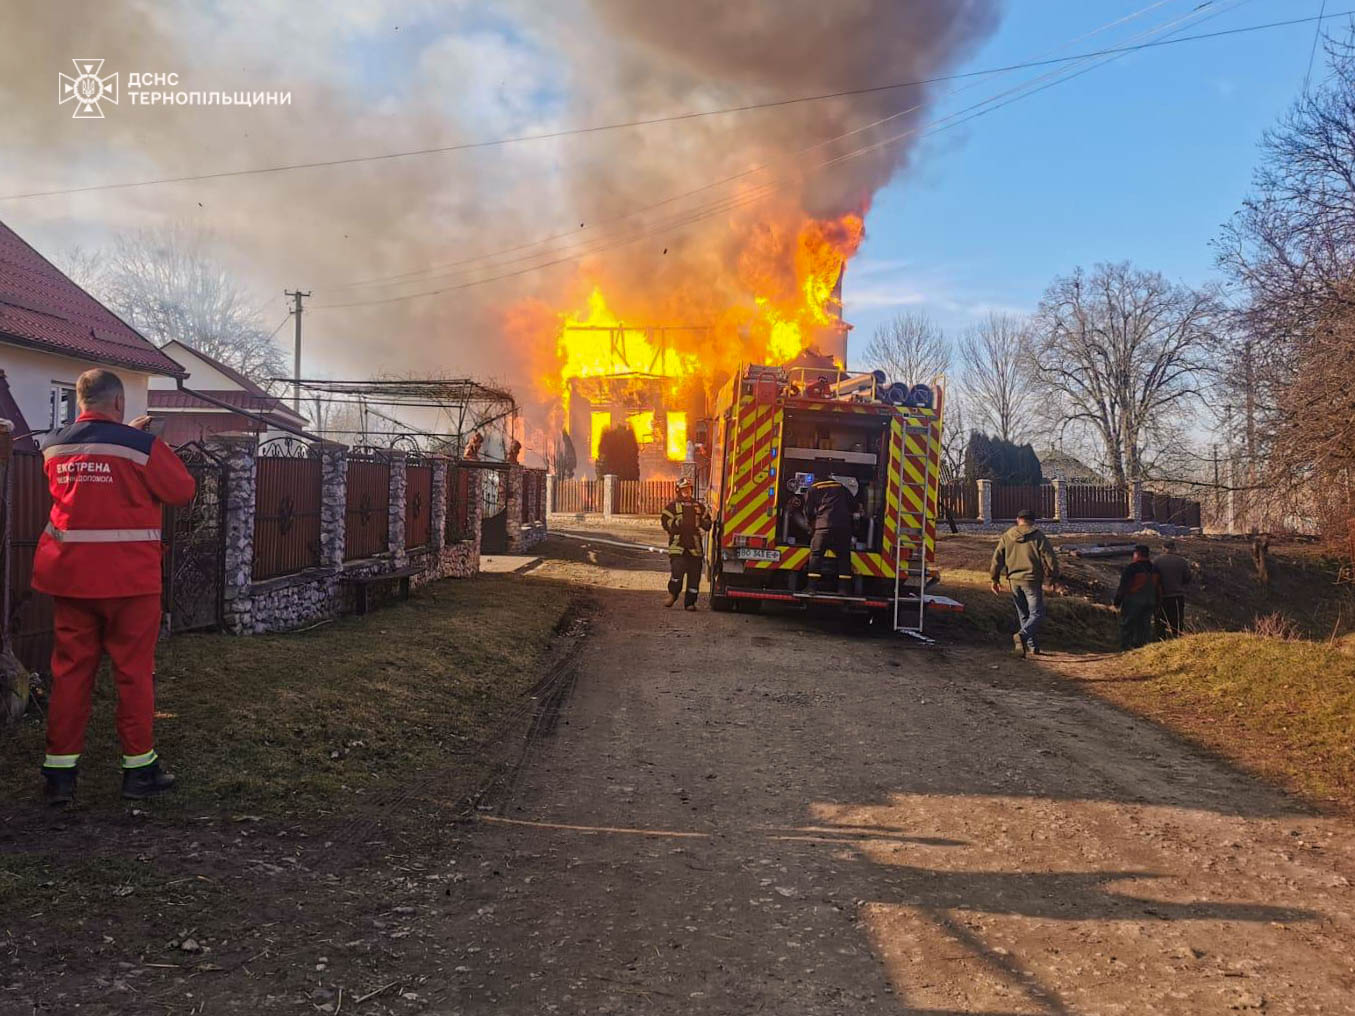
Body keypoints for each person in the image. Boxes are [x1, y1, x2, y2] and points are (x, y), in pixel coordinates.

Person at [32, 369, 196, 806]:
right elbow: (182, 490)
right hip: (130, 582)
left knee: (70, 674)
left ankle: (59, 776)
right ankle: (138, 771)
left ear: (79, 402)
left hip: (70, 578)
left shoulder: (53, 446)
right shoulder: (139, 446)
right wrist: (146, 441)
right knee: (133, 674)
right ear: (119, 403)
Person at [989, 508, 1060, 657]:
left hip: (1014, 580)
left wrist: (994, 579)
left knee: (1024, 614)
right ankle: (1022, 636)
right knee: (1037, 613)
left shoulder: (1007, 535)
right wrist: (1053, 578)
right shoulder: (1038, 536)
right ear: (1033, 521)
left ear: (1018, 520)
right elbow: (1050, 558)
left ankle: (1031, 648)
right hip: (1031, 580)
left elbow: (997, 558)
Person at [660, 477, 711, 610]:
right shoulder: (672, 507)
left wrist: (704, 523)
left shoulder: (698, 507)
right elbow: (665, 522)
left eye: (688, 489)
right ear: (678, 490)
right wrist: (677, 523)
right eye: (684, 489)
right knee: (677, 571)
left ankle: (690, 603)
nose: (686, 491)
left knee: (694, 577)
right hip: (678, 546)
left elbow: (707, 521)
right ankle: (672, 595)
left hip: (695, 547)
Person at [804, 476, 857, 594]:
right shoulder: (841, 487)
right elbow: (854, 505)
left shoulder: (813, 488)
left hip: (823, 527)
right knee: (844, 557)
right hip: (843, 528)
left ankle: (811, 588)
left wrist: (810, 525)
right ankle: (844, 589)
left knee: (816, 555)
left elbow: (808, 510)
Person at [1114, 545, 1164, 651]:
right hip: (1150, 601)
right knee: (1144, 625)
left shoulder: (1132, 568)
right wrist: (1158, 603)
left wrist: (1117, 602)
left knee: (1128, 624)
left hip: (1133, 601)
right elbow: (1159, 588)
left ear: (1137, 554)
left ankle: (1125, 648)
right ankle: (1141, 648)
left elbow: (1123, 587)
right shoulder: (1155, 569)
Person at [1153, 539, 1192, 638]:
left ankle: (1161, 642)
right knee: (1177, 624)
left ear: (1163, 548)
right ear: (1174, 549)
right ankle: (1177, 642)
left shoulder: (1156, 561)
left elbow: (1152, 579)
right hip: (1177, 597)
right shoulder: (1182, 561)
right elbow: (1187, 578)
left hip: (1162, 597)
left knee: (1160, 624)